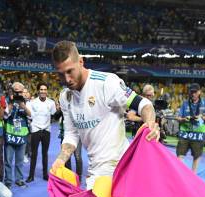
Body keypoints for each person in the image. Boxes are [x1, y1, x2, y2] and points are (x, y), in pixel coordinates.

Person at [51, 41, 159, 188]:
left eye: (70, 71)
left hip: (122, 164)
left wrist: (150, 124)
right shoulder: (65, 97)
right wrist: (61, 159)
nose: (67, 79)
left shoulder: (106, 83)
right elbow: (71, 134)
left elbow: (143, 104)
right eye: (61, 74)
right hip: (96, 170)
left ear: (81, 61)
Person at [175, 83, 205, 174]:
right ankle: (179, 174)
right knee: (180, 155)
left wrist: (202, 117)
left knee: (197, 156)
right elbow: (177, 117)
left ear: (199, 92)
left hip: (198, 135)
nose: (193, 94)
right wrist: (184, 119)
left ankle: (193, 175)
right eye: (191, 92)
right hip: (185, 133)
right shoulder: (185, 103)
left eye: (195, 92)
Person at [27, 83, 60, 182]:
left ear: (47, 91)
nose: (43, 91)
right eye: (41, 89)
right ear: (38, 91)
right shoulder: (32, 102)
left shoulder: (51, 102)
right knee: (34, 154)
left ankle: (45, 174)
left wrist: (60, 110)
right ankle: (31, 175)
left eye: (45, 89)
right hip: (35, 130)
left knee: (45, 153)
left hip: (46, 130)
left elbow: (54, 116)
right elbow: (29, 116)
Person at [4, 82, 32, 189]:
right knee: (8, 160)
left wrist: (23, 106)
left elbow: (31, 115)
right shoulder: (7, 101)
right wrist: (11, 104)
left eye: (20, 92)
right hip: (10, 135)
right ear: (12, 91)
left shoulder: (26, 102)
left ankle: (19, 180)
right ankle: (8, 181)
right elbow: (5, 116)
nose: (18, 94)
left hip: (22, 135)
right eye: (16, 92)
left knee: (20, 160)